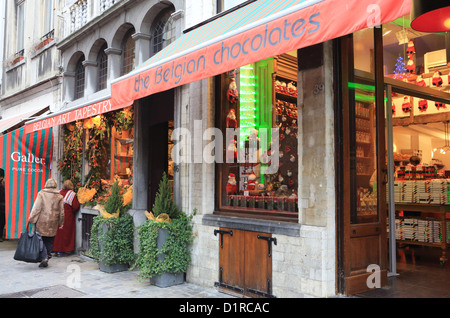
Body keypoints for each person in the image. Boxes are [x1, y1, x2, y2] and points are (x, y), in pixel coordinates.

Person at [28, 178, 64, 268]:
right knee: (50, 239)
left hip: (42, 220)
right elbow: (62, 211)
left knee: (41, 239)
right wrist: (61, 222)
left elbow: (37, 208)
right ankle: (47, 255)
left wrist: (31, 218)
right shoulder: (59, 196)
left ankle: (44, 257)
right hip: (53, 221)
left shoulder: (42, 194)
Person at [53, 180, 80, 256]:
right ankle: (63, 251)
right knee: (66, 233)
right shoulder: (72, 194)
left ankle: (56, 250)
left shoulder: (58, 192)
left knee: (58, 233)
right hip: (67, 216)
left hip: (57, 215)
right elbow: (75, 207)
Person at [0, 177, 5, 242]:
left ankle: (2, 235)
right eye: (3, 182)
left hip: (4, 210)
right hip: (1, 209)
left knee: (3, 223)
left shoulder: (5, 190)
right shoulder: (1, 190)